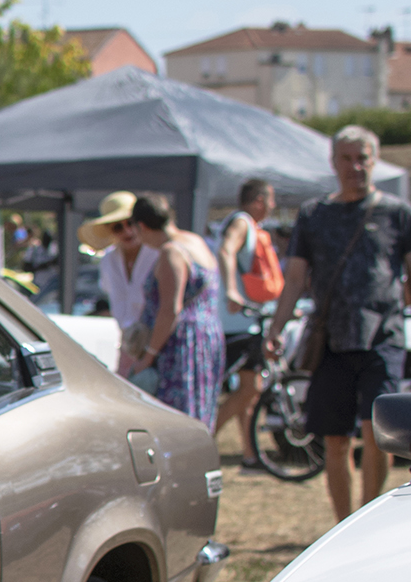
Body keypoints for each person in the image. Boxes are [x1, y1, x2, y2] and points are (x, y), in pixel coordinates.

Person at [264, 126, 411, 519]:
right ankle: (343, 524)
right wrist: (276, 328)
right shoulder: (314, 215)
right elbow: (295, 278)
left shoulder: (397, 212)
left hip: (384, 336)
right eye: (347, 158)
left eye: (362, 157)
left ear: (374, 160)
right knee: (335, 440)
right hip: (331, 338)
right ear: (333, 162)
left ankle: (369, 517)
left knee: (378, 434)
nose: (355, 166)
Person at [131, 191, 225, 426]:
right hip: (207, 337)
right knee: (199, 411)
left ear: (142, 227)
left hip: (181, 346)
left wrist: (149, 356)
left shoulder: (171, 251)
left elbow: (170, 309)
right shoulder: (195, 241)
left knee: (177, 419)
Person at [214, 179, 281, 469]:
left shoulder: (250, 225)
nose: (273, 207)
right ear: (258, 201)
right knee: (250, 389)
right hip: (237, 323)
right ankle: (205, 438)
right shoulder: (242, 222)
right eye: (270, 200)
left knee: (247, 389)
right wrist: (231, 289)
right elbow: (226, 249)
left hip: (244, 320)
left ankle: (250, 455)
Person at [86, 192, 159, 377]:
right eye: (118, 227)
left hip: (158, 343)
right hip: (129, 344)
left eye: (131, 223)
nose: (127, 231)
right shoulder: (108, 260)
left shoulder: (157, 254)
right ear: (110, 231)